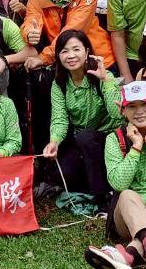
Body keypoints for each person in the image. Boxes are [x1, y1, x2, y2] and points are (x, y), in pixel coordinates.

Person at [83, 80, 146, 269]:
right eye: (132, 107)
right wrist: (136, 147)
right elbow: (118, 184)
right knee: (127, 194)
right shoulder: (114, 139)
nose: (139, 111)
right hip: (127, 213)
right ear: (123, 111)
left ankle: (127, 256)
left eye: (144, 104)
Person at [42, 30, 120, 204]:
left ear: (87, 51)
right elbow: (60, 118)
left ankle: (103, 196)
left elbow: (117, 113)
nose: (71, 56)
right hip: (81, 140)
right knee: (64, 175)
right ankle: (96, 182)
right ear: (58, 56)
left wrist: (106, 81)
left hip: (110, 138)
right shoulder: (59, 83)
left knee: (86, 138)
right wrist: (54, 141)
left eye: (76, 49)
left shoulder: (103, 75)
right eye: (64, 51)